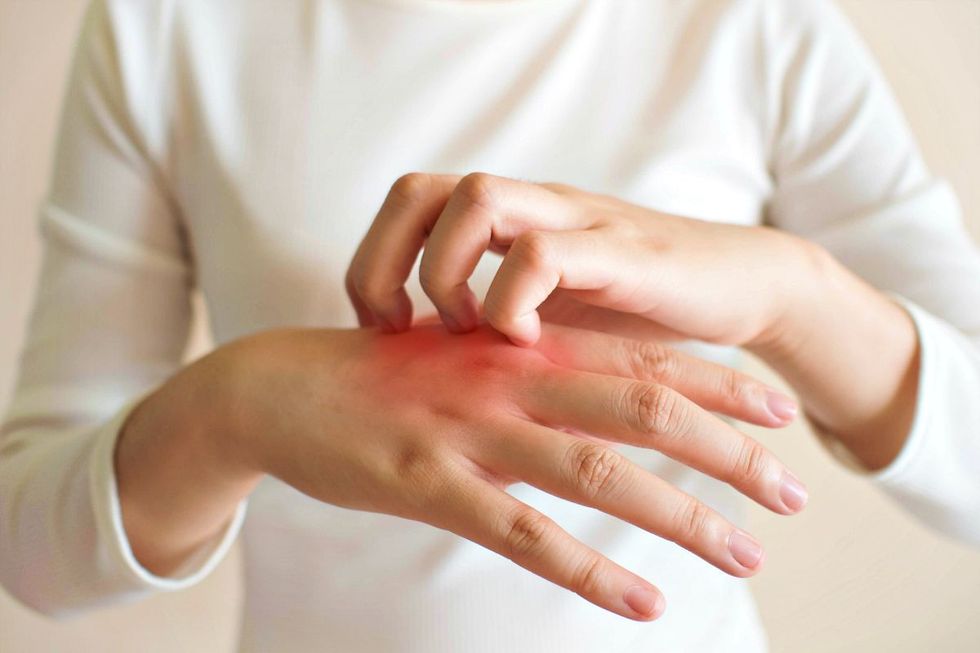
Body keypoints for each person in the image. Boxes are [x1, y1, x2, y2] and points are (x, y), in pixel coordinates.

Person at [2, 0, 978, 651]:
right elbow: (28, 548)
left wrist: (790, 294)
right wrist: (231, 406)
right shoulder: (166, 24)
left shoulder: (753, 25)